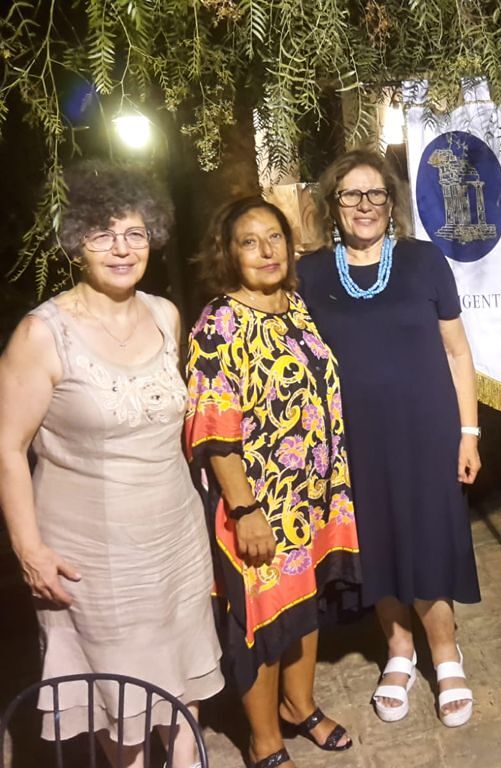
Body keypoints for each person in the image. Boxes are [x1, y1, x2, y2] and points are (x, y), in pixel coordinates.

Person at [0, 161, 223, 768]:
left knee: (181, 674)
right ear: (76, 242)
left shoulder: (165, 314)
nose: (122, 249)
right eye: (103, 234)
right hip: (93, 556)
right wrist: (29, 550)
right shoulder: (42, 334)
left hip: (174, 539)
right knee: (120, 701)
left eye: (134, 233)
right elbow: (8, 448)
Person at [297, 149, 481, 728]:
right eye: (351, 194)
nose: (364, 205)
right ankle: (399, 651)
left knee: (427, 537)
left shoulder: (424, 261)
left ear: (391, 201)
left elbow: (458, 352)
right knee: (374, 542)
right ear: (333, 205)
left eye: (375, 193)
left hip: (427, 430)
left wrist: (469, 433)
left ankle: (445, 654)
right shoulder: (311, 274)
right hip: (352, 438)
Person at [185, 197, 361, 768]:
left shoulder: (296, 307)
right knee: (261, 620)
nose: (266, 251)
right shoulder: (220, 322)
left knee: (304, 602)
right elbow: (213, 430)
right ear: (229, 254)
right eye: (249, 242)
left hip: (312, 496)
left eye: (275, 238)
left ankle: (299, 706)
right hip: (259, 503)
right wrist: (245, 510)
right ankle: (264, 738)